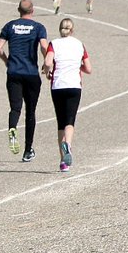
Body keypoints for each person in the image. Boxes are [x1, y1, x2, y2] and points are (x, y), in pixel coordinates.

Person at [0, 0, 48, 162]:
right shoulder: (38, 27)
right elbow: (45, 46)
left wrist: (7, 61)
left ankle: (12, 128)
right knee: (30, 112)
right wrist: (47, 64)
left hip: (14, 72)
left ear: (19, 10)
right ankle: (27, 150)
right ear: (32, 10)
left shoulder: (10, 26)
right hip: (31, 73)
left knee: (15, 108)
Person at [43, 18, 91, 172]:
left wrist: (47, 71)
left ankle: (63, 162)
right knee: (70, 121)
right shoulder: (79, 44)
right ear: (72, 30)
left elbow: (48, 61)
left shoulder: (54, 44)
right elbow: (88, 68)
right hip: (74, 85)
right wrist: (77, 65)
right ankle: (68, 145)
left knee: (60, 122)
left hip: (58, 85)